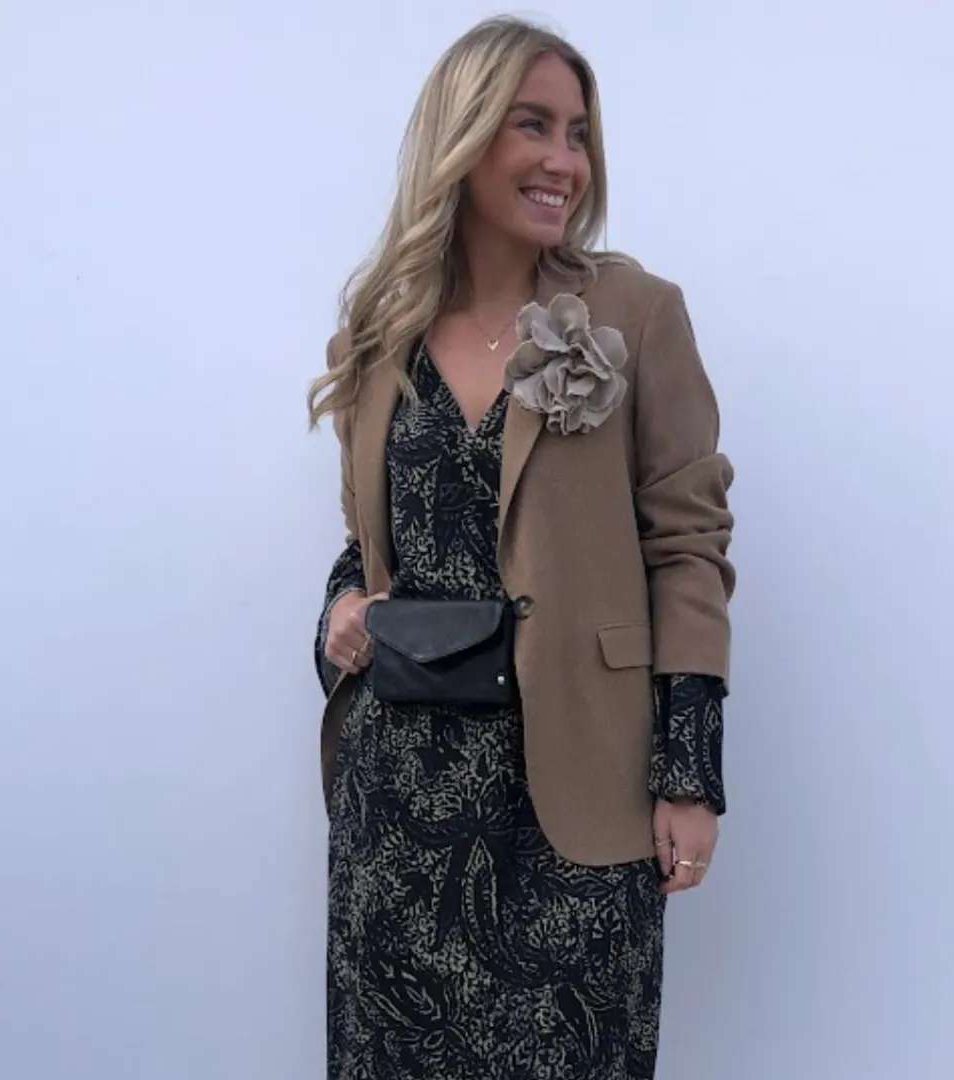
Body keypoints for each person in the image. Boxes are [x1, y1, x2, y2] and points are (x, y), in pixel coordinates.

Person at [308, 15, 735, 1080]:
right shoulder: (378, 336)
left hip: (578, 794)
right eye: (532, 125)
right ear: (459, 138)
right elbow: (370, 545)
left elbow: (688, 547)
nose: (564, 160)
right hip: (397, 810)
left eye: (578, 133)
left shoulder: (634, 314)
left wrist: (690, 774)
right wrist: (342, 609)